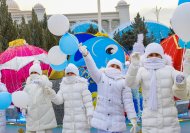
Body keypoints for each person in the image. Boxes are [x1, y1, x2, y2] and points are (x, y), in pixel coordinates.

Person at [126, 43, 190, 133]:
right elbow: (130, 84)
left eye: (157, 55)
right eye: (151, 55)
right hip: (149, 122)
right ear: (146, 56)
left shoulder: (169, 69)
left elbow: (181, 78)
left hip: (169, 122)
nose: (154, 57)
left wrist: (186, 67)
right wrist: (133, 66)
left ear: (162, 56)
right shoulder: (142, 70)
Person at [78, 44, 137, 133]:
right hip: (102, 123)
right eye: (112, 65)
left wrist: (132, 117)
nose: (115, 68)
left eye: (117, 67)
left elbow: (128, 101)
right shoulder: (101, 77)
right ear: (108, 66)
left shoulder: (124, 82)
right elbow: (92, 68)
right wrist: (86, 55)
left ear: (121, 70)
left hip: (117, 123)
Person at [44, 63, 93, 133]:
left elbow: (88, 102)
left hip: (81, 123)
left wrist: (90, 114)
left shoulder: (82, 85)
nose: (70, 75)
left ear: (76, 73)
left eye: (72, 73)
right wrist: (51, 93)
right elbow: (58, 101)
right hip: (68, 123)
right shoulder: (63, 86)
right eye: (68, 73)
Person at [22, 60, 57, 133]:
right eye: (32, 72)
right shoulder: (27, 85)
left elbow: (49, 87)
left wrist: (43, 84)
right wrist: (23, 108)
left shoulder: (44, 79)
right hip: (32, 115)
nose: (33, 74)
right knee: (31, 130)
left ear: (39, 73)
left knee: (45, 130)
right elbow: (23, 98)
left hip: (45, 113)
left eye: (35, 72)